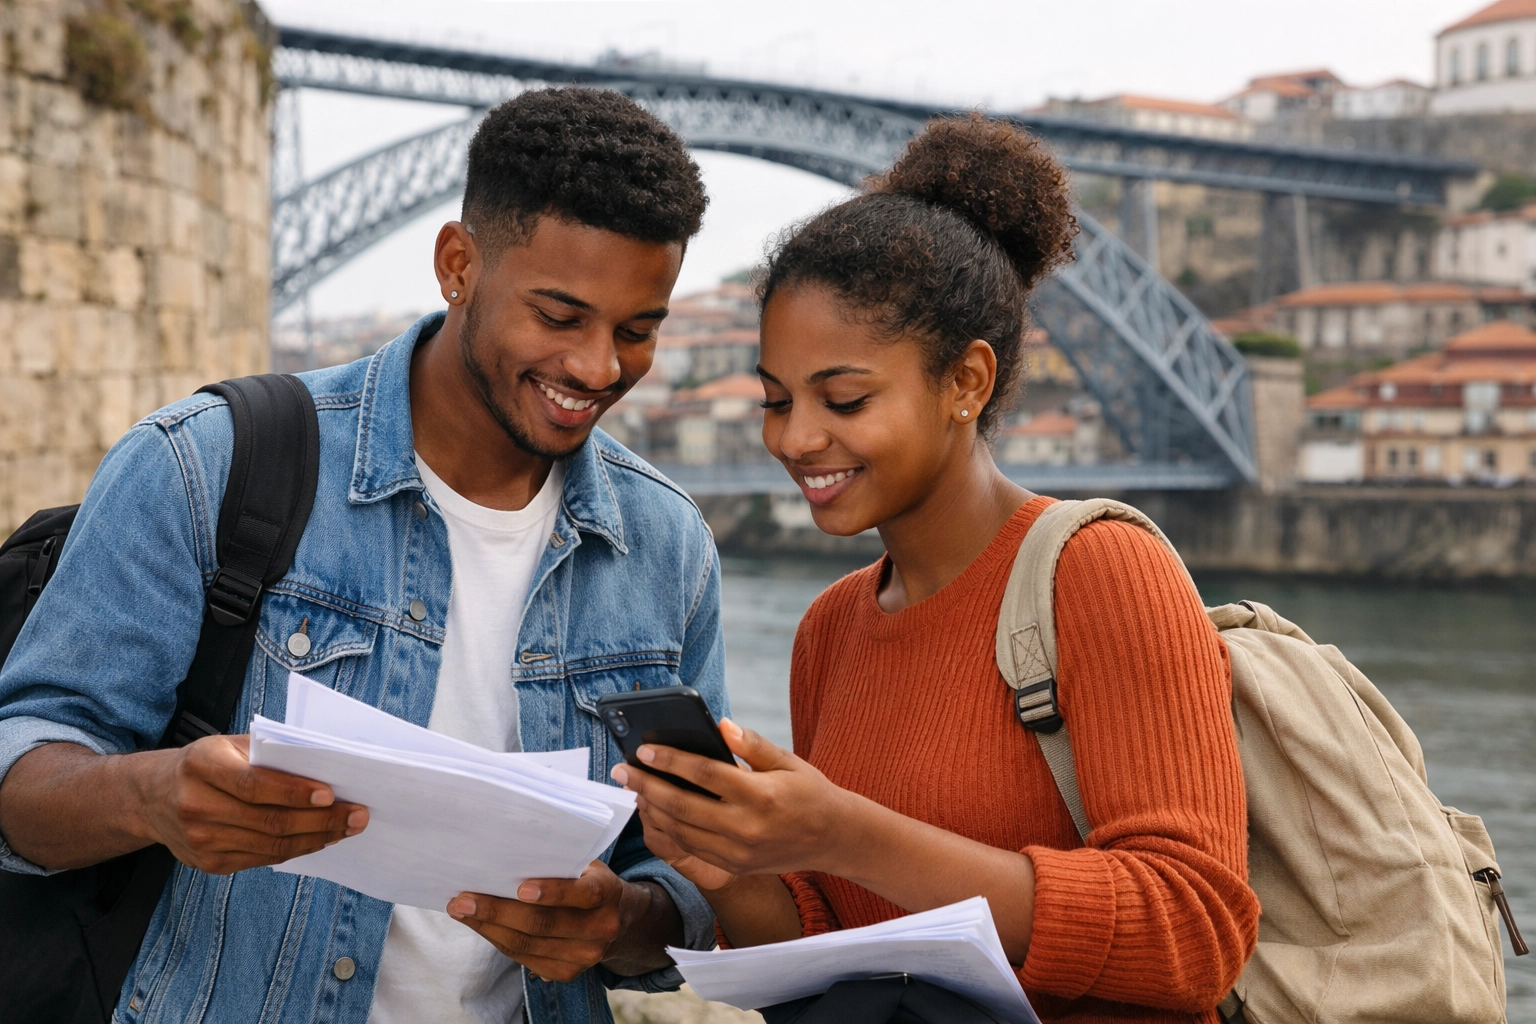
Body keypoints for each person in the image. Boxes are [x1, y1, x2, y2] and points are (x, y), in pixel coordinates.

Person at [0, 88, 727, 1024]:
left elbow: (691, 872)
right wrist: (153, 796)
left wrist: (621, 920)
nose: (598, 368)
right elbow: (21, 778)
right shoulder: (204, 463)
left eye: (638, 331)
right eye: (559, 316)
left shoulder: (670, 546)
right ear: (458, 265)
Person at [612, 115, 1261, 1022]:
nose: (795, 439)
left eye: (845, 399)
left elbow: (1194, 932)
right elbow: (830, 943)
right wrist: (726, 864)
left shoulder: (1101, 568)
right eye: (775, 400)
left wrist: (846, 833)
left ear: (966, 382)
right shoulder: (832, 627)